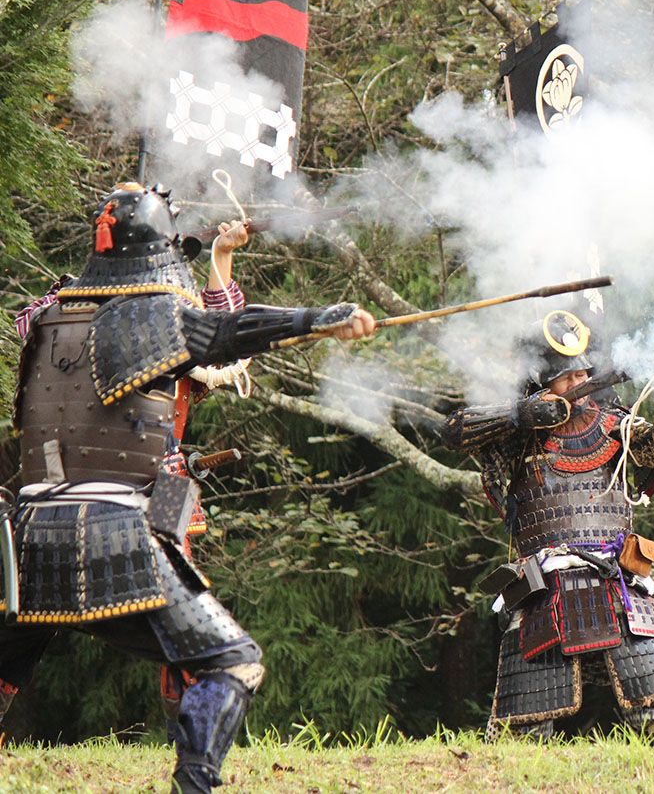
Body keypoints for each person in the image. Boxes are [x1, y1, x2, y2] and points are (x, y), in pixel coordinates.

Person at [0, 182, 374, 794]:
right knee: (224, 657)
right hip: (118, 521)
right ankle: (194, 782)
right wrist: (316, 320)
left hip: (29, 527)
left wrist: (216, 254)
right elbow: (223, 334)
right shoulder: (154, 322)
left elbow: (194, 335)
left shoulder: (44, 317)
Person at [12, 207, 252, 742]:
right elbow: (221, 339)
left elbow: (217, 338)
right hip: (95, 483)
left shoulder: (95, 305)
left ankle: (194, 727)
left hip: (155, 480)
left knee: (185, 594)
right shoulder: (123, 312)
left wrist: (222, 256)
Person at [442, 309, 654, 742]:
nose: (577, 384)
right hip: (544, 589)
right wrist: (521, 415)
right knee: (521, 728)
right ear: (542, 386)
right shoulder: (518, 436)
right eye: (564, 379)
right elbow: (452, 431)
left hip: (618, 585)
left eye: (581, 373)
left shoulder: (615, 422)